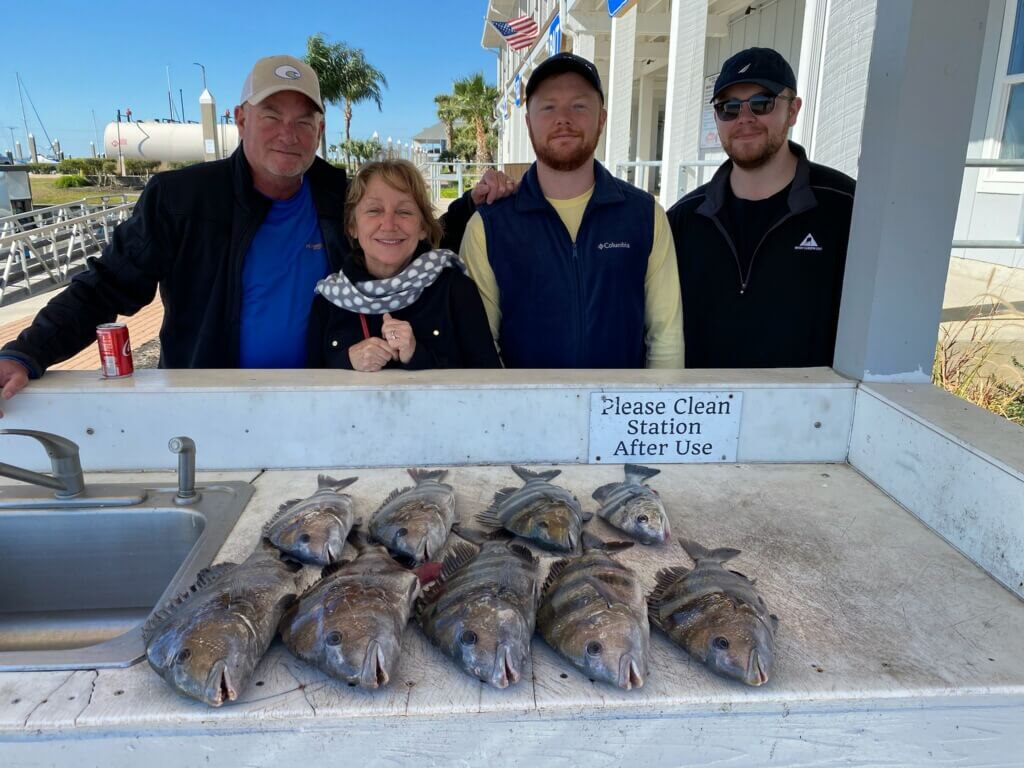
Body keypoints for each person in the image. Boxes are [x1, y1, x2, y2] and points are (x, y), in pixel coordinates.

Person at [0, 54, 513, 412]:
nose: (288, 134)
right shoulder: (181, 199)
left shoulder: (336, 194)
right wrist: (26, 352)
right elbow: (106, 284)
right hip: (213, 404)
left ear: (320, 131)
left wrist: (474, 200)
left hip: (319, 403)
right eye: (272, 115)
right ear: (241, 119)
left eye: (304, 121)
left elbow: (406, 237)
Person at [460, 52, 683, 369]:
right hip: (527, 401)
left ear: (601, 119)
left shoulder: (644, 216)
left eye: (579, 106)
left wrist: (660, 397)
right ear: (528, 122)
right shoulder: (489, 227)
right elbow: (482, 346)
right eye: (548, 107)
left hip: (619, 401)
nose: (563, 119)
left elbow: (666, 338)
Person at [667, 46, 855, 368]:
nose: (744, 118)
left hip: (812, 400)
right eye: (729, 107)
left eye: (761, 103)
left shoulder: (845, 208)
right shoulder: (684, 219)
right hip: (706, 399)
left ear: (793, 110)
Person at [307, 160, 500, 370]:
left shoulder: (455, 291)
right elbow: (309, 383)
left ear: (423, 227)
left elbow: (488, 377)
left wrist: (418, 357)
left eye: (404, 212)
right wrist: (346, 361)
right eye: (374, 210)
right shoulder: (329, 301)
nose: (389, 225)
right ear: (352, 226)